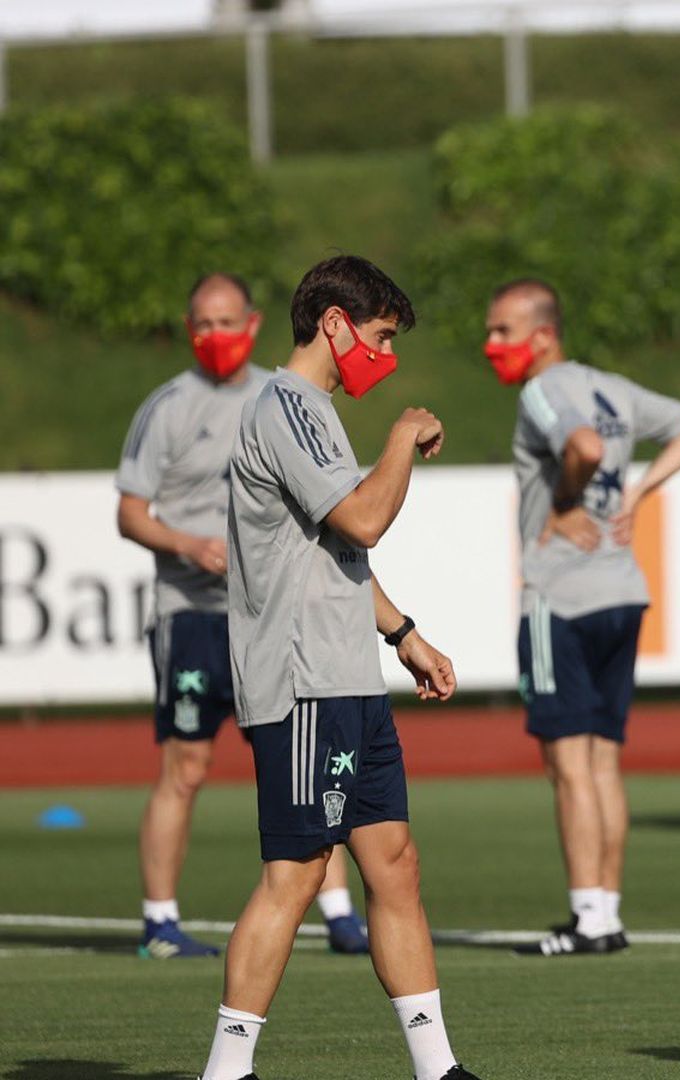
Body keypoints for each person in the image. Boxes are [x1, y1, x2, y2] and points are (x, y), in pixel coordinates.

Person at [201, 255, 478, 1080]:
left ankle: (438, 1069)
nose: (384, 355)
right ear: (334, 323)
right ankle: (227, 1071)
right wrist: (399, 437)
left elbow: (331, 557)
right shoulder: (285, 407)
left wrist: (403, 634)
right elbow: (360, 520)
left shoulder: (313, 410)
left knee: (393, 860)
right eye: (380, 336)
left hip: (348, 673)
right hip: (301, 682)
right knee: (296, 873)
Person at [115, 272, 368, 960]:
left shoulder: (285, 396)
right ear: (188, 327)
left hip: (275, 618)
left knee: (304, 763)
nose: (217, 336)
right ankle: (160, 922)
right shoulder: (166, 407)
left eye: (228, 322)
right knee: (186, 766)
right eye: (204, 323)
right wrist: (184, 542)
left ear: (253, 323)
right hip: (195, 615)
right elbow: (130, 512)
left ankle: (340, 913)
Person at [482, 278, 680, 955]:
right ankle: (606, 911)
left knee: (569, 766)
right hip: (624, 590)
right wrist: (642, 487)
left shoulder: (542, 391)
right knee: (605, 763)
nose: (490, 343)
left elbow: (581, 449)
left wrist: (562, 499)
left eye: (502, 331)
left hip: (563, 594)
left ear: (542, 335)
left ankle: (586, 917)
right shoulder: (614, 388)